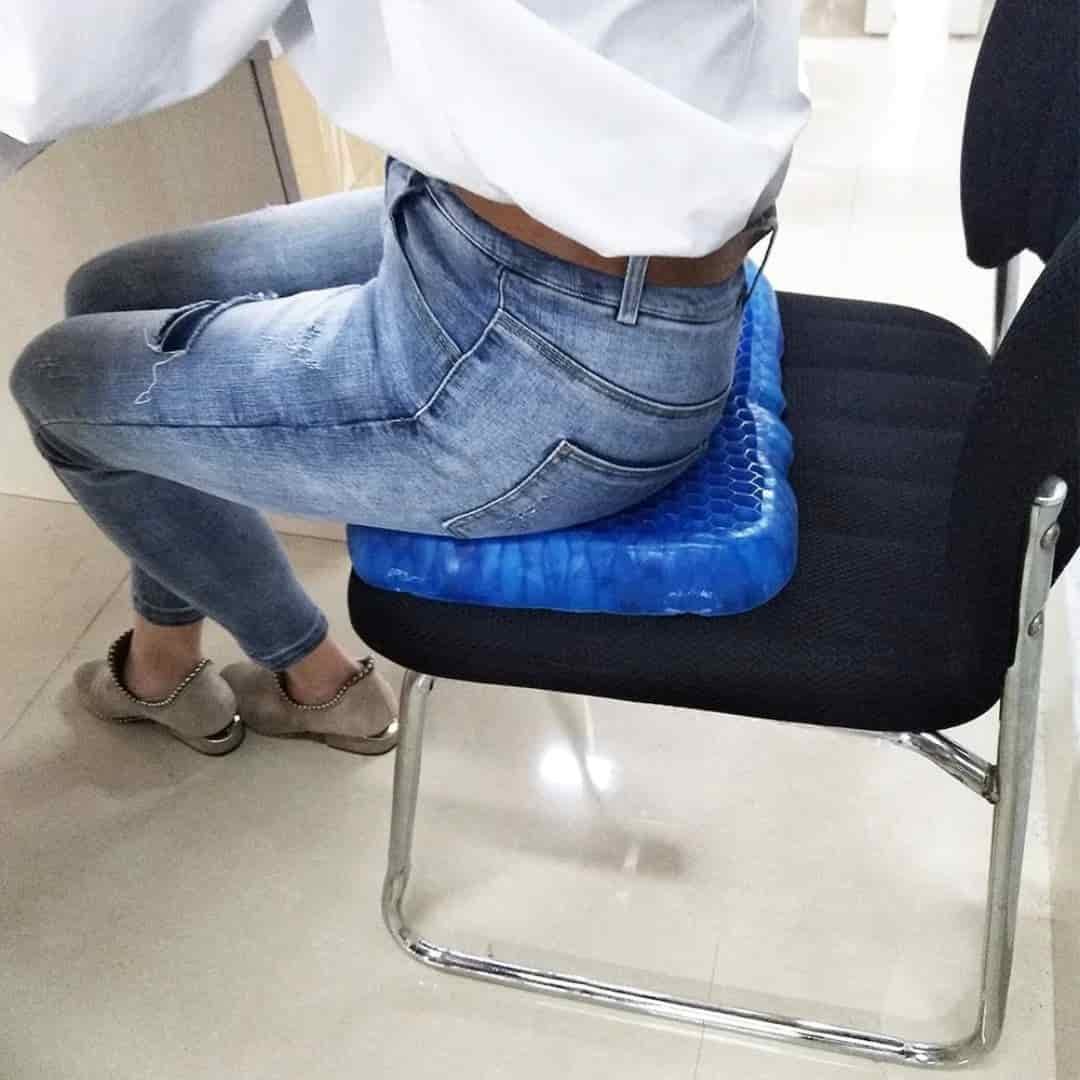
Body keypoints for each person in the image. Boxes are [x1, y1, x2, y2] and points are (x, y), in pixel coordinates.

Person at [5, 1, 809, 756]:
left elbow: (61, 51)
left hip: (555, 352)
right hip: (481, 222)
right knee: (111, 295)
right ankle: (164, 658)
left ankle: (315, 681)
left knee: (54, 386)